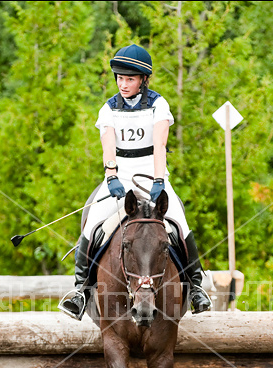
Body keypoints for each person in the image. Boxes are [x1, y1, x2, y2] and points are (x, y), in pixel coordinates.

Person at [60, 44, 211, 320]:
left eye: (129, 79)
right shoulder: (108, 108)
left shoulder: (158, 104)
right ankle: (80, 291)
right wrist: (111, 175)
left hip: (153, 173)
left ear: (143, 79)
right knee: (93, 224)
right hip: (120, 174)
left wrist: (158, 179)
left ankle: (198, 287)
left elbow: (160, 145)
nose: (123, 84)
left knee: (179, 222)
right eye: (120, 78)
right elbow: (108, 145)